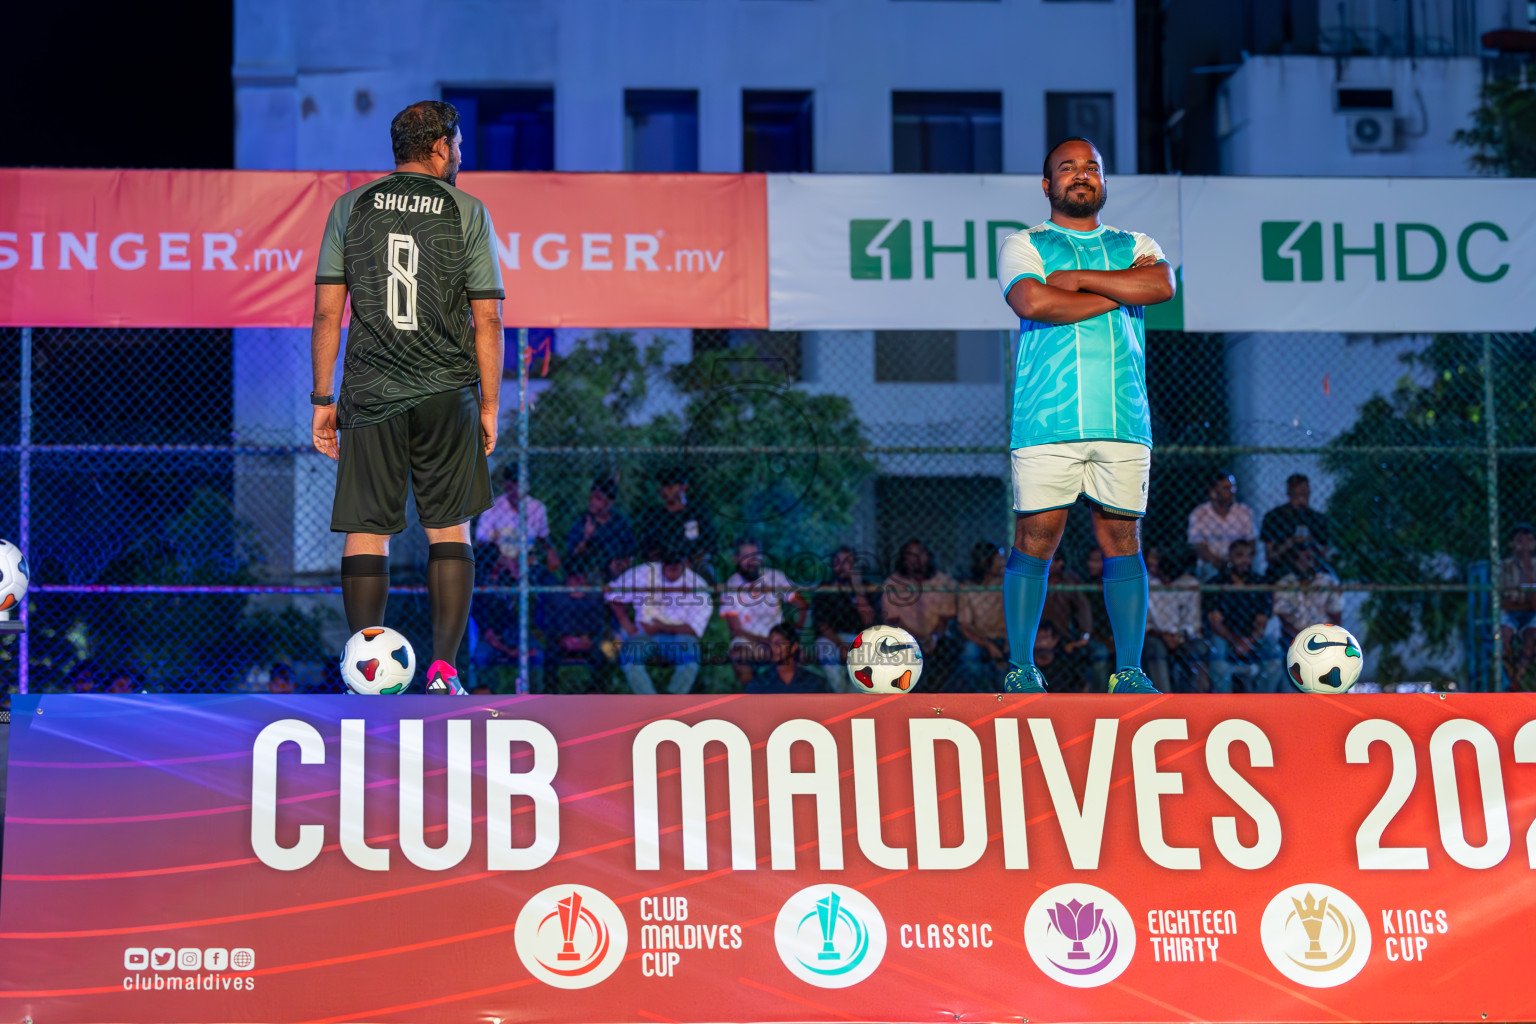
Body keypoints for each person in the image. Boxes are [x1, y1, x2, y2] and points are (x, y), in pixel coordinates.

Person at [309, 100, 504, 696]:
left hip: (369, 393)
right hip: (448, 393)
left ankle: (368, 678)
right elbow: (488, 319)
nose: (461, 156)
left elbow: (326, 312)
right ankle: (444, 672)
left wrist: (323, 399)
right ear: (441, 146)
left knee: (368, 532)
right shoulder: (466, 210)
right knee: (450, 530)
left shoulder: (350, 207)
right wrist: (491, 406)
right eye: (459, 145)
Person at [995, 136, 1176, 694]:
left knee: (1123, 539)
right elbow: (1034, 302)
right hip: (1046, 420)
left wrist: (1081, 283)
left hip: (1122, 418)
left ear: (1103, 181)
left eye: (1092, 167)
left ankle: (1129, 672)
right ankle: (1023, 667)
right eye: (1068, 167)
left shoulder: (1135, 241)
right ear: (1047, 184)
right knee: (1036, 537)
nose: (1081, 175)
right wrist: (1122, 292)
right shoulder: (1024, 244)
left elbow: (1163, 286)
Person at [604, 549, 714, 695]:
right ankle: (652, 702)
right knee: (629, 658)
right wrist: (628, 626)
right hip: (643, 634)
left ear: (685, 564)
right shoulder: (644, 572)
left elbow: (695, 630)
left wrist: (661, 626)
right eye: (668, 566)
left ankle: (672, 701)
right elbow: (613, 594)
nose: (672, 570)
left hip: (678, 637)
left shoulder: (698, 584)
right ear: (661, 564)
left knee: (691, 658)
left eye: (677, 566)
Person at [720, 539, 807, 686]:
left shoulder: (775, 576)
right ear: (735, 559)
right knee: (737, 655)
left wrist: (795, 631)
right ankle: (753, 697)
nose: (751, 560)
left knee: (799, 655)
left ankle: (791, 698)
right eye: (745, 555)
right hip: (749, 640)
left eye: (755, 555)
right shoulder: (731, 585)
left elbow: (801, 604)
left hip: (778, 637)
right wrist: (766, 641)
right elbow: (735, 629)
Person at [882, 540, 960, 690]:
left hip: (937, 637)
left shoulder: (942, 580)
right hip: (905, 637)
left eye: (920, 553)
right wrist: (919, 639)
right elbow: (893, 619)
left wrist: (933, 637)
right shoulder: (893, 582)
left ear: (928, 556)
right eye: (910, 555)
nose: (916, 559)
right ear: (903, 559)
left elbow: (946, 616)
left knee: (949, 650)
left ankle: (933, 696)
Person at [1207, 539, 1282, 693]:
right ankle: (1222, 705)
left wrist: (1249, 641)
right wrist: (1236, 641)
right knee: (1217, 655)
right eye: (1239, 556)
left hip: (1252, 637)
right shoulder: (1216, 583)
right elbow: (1215, 622)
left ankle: (1262, 704)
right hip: (1225, 636)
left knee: (1275, 658)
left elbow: (1262, 622)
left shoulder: (1260, 583)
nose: (1244, 561)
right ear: (1229, 557)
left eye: (1248, 556)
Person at [810, 546, 878, 692]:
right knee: (825, 648)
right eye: (838, 562)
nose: (843, 567)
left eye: (847, 562)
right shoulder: (825, 588)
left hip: (858, 637)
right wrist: (841, 646)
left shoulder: (865, 587)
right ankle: (840, 695)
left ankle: (853, 700)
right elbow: (821, 624)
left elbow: (868, 620)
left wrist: (857, 589)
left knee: (865, 660)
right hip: (832, 638)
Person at [475, 466, 560, 582]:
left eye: (520, 484)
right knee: (486, 557)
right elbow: (481, 539)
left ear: (528, 485)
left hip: (526, 555)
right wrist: (497, 540)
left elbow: (543, 537)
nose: (516, 489)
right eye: (512, 485)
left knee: (549, 580)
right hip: (499, 556)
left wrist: (550, 551)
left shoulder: (536, 507)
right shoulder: (492, 507)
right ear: (504, 485)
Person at [539, 560, 611, 692]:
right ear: (567, 580)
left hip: (587, 641)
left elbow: (601, 624)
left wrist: (590, 640)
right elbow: (548, 624)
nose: (577, 582)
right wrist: (562, 639)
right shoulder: (556, 597)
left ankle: (595, 694)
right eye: (573, 578)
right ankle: (550, 694)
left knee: (603, 655)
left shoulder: (594, 597)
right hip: (563, 641)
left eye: (580, 578)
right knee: (549, 656)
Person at [1143, 547, 1208, 693]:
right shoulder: (1144, 581)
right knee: (1155, 648)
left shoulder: (1189, 583)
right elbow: (1144, 623)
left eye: (1156, 559)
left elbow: (1192, 622)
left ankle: (1194, 701)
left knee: (1198, 648)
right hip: (1156, 636)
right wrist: (1162, 636)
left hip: (1182, 636)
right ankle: (1163, 698)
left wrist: (1178, 638)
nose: (1151, 562)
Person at [637, 468, 717, 577]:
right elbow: (648, 547)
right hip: (662, 565)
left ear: (684, 487)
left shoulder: (698, 512)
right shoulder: (653, 514)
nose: (664, 490)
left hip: (692, 564)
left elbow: (709, 545)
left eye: (670, 487)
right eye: (662, 486)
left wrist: (691, 561)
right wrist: (667, 565)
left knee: (706, 567)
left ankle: (708, 593)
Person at [1271, 542, 1344, 651]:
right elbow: (1285, 621)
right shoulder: (1284, 584)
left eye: (1308, 558)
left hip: (1324, 635)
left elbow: (1336, 617)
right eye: (1300, 559)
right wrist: (1305, 640)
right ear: (1294, 562)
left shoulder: (1328, 582)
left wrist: (1323, 637)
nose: (1305, 563)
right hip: (1295, 637)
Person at [957, 543, 1009, 691]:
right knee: (969, 655)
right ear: (987, 561)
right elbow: (964, 625)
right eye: (1000, 559)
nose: (1003, 563)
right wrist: (987, 645)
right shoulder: (967, 588)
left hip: (1005, 637)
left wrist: (1009, 640)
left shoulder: (1007, 582)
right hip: (980, 638)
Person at [1188, 472, 1257, 581]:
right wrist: (1218, 562)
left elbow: (1251, 541)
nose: (1231, 492)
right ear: (1214, 491)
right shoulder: (1199, 513)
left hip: (1239, 561)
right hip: (1211, 565)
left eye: (1233, 488)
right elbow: (1198, 545)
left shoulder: (1244, 511)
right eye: (1226, 488)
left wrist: (1237, 559)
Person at [565, 477, 636, 580]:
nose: (592, 502)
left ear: (609, 503)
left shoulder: (620, 522)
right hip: (586, 572)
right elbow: (573, 553)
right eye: (591, 497)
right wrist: (586, 536)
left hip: (615, 571)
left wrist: (622, 562)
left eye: (598, 498)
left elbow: (631, 550)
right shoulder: (582, 520)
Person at [1261, 473, 1332, 576]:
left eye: (1305, 494)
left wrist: (1311, 541)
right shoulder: (1274, 517)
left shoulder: (1318, 519)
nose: (1301, 499)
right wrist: (1291, 542)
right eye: (1297, 495)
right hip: (1282, 570)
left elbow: (1324, 556)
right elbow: (1271, 557)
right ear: (1289, 495)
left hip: (1312, 570)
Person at [746, 623, 833, 694]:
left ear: (793, 647)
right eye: (770, 643)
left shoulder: (813, 683)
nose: (772, 647)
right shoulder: (759, 685)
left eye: (779, 643)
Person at [1499, 523, 1536, 688]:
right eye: (1519, 540)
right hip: (1510, 612)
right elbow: (1502, 600)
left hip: (1531, 612)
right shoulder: (1504, 566)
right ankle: (1511, 676)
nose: (1524, 544)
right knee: (1503, 638)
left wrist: (1527, 571)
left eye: (1528, 539)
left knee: (1531, 638)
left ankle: (1517, 678)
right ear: (1512, 544)